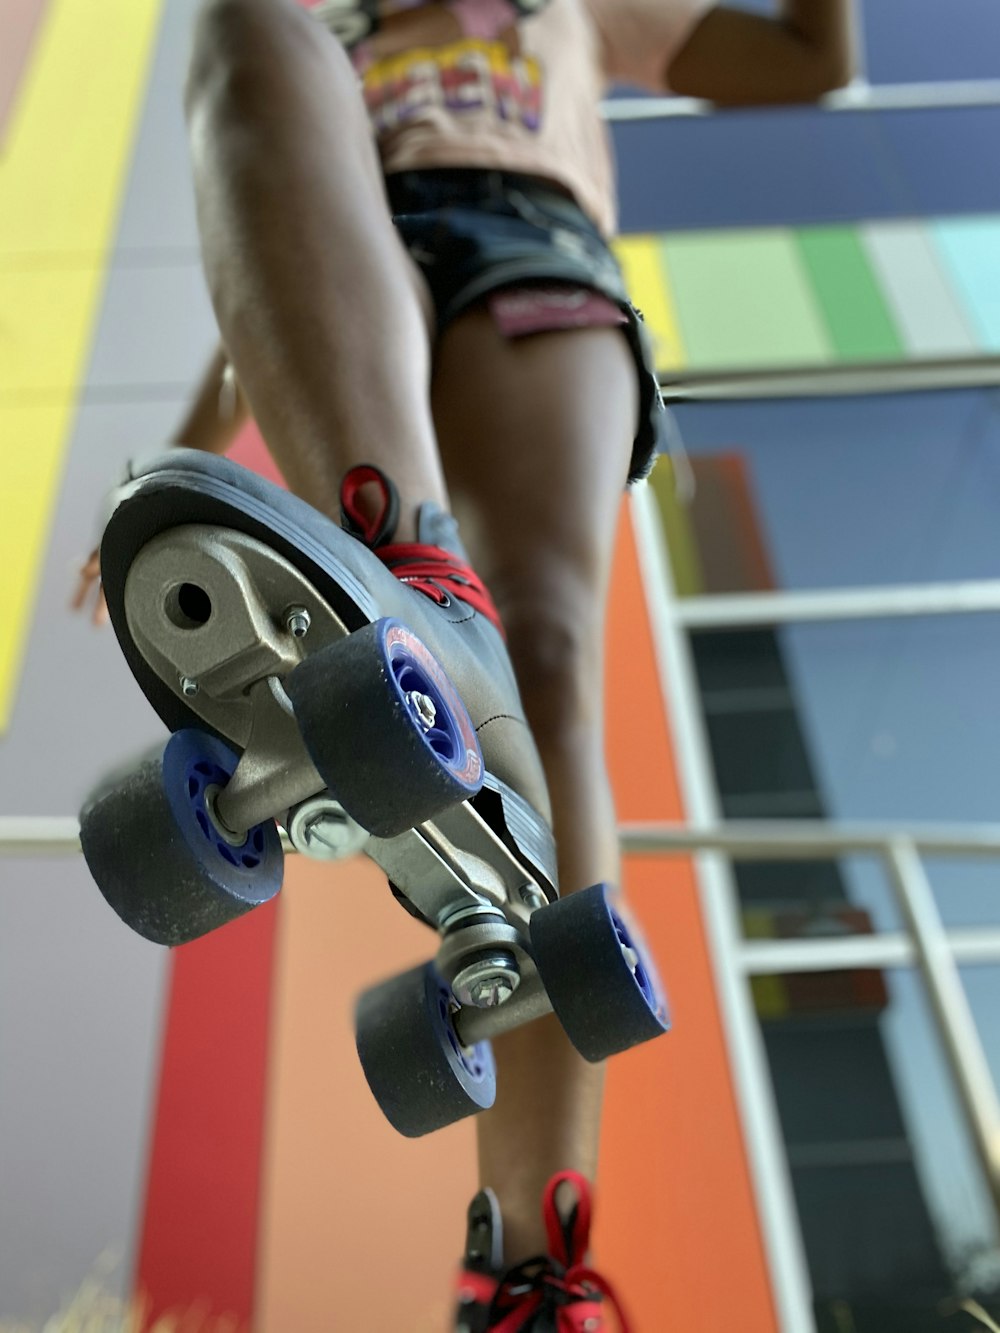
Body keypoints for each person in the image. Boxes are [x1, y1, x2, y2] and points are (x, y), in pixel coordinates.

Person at [74, 0, 851, 1326]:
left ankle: (535, 1266)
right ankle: (412, 572)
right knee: (244, 21)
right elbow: (262, 226)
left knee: (545, 648)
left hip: (531, 251)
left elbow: (809, 62)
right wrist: (179, 436)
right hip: (351, 245)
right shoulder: (335, 26)